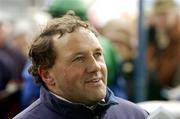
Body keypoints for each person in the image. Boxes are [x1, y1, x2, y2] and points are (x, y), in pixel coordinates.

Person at [13, 11, 148, 119]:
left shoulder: (136, 115)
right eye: (79, 59)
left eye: (98, 54)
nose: (95, 67)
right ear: (47, 75)